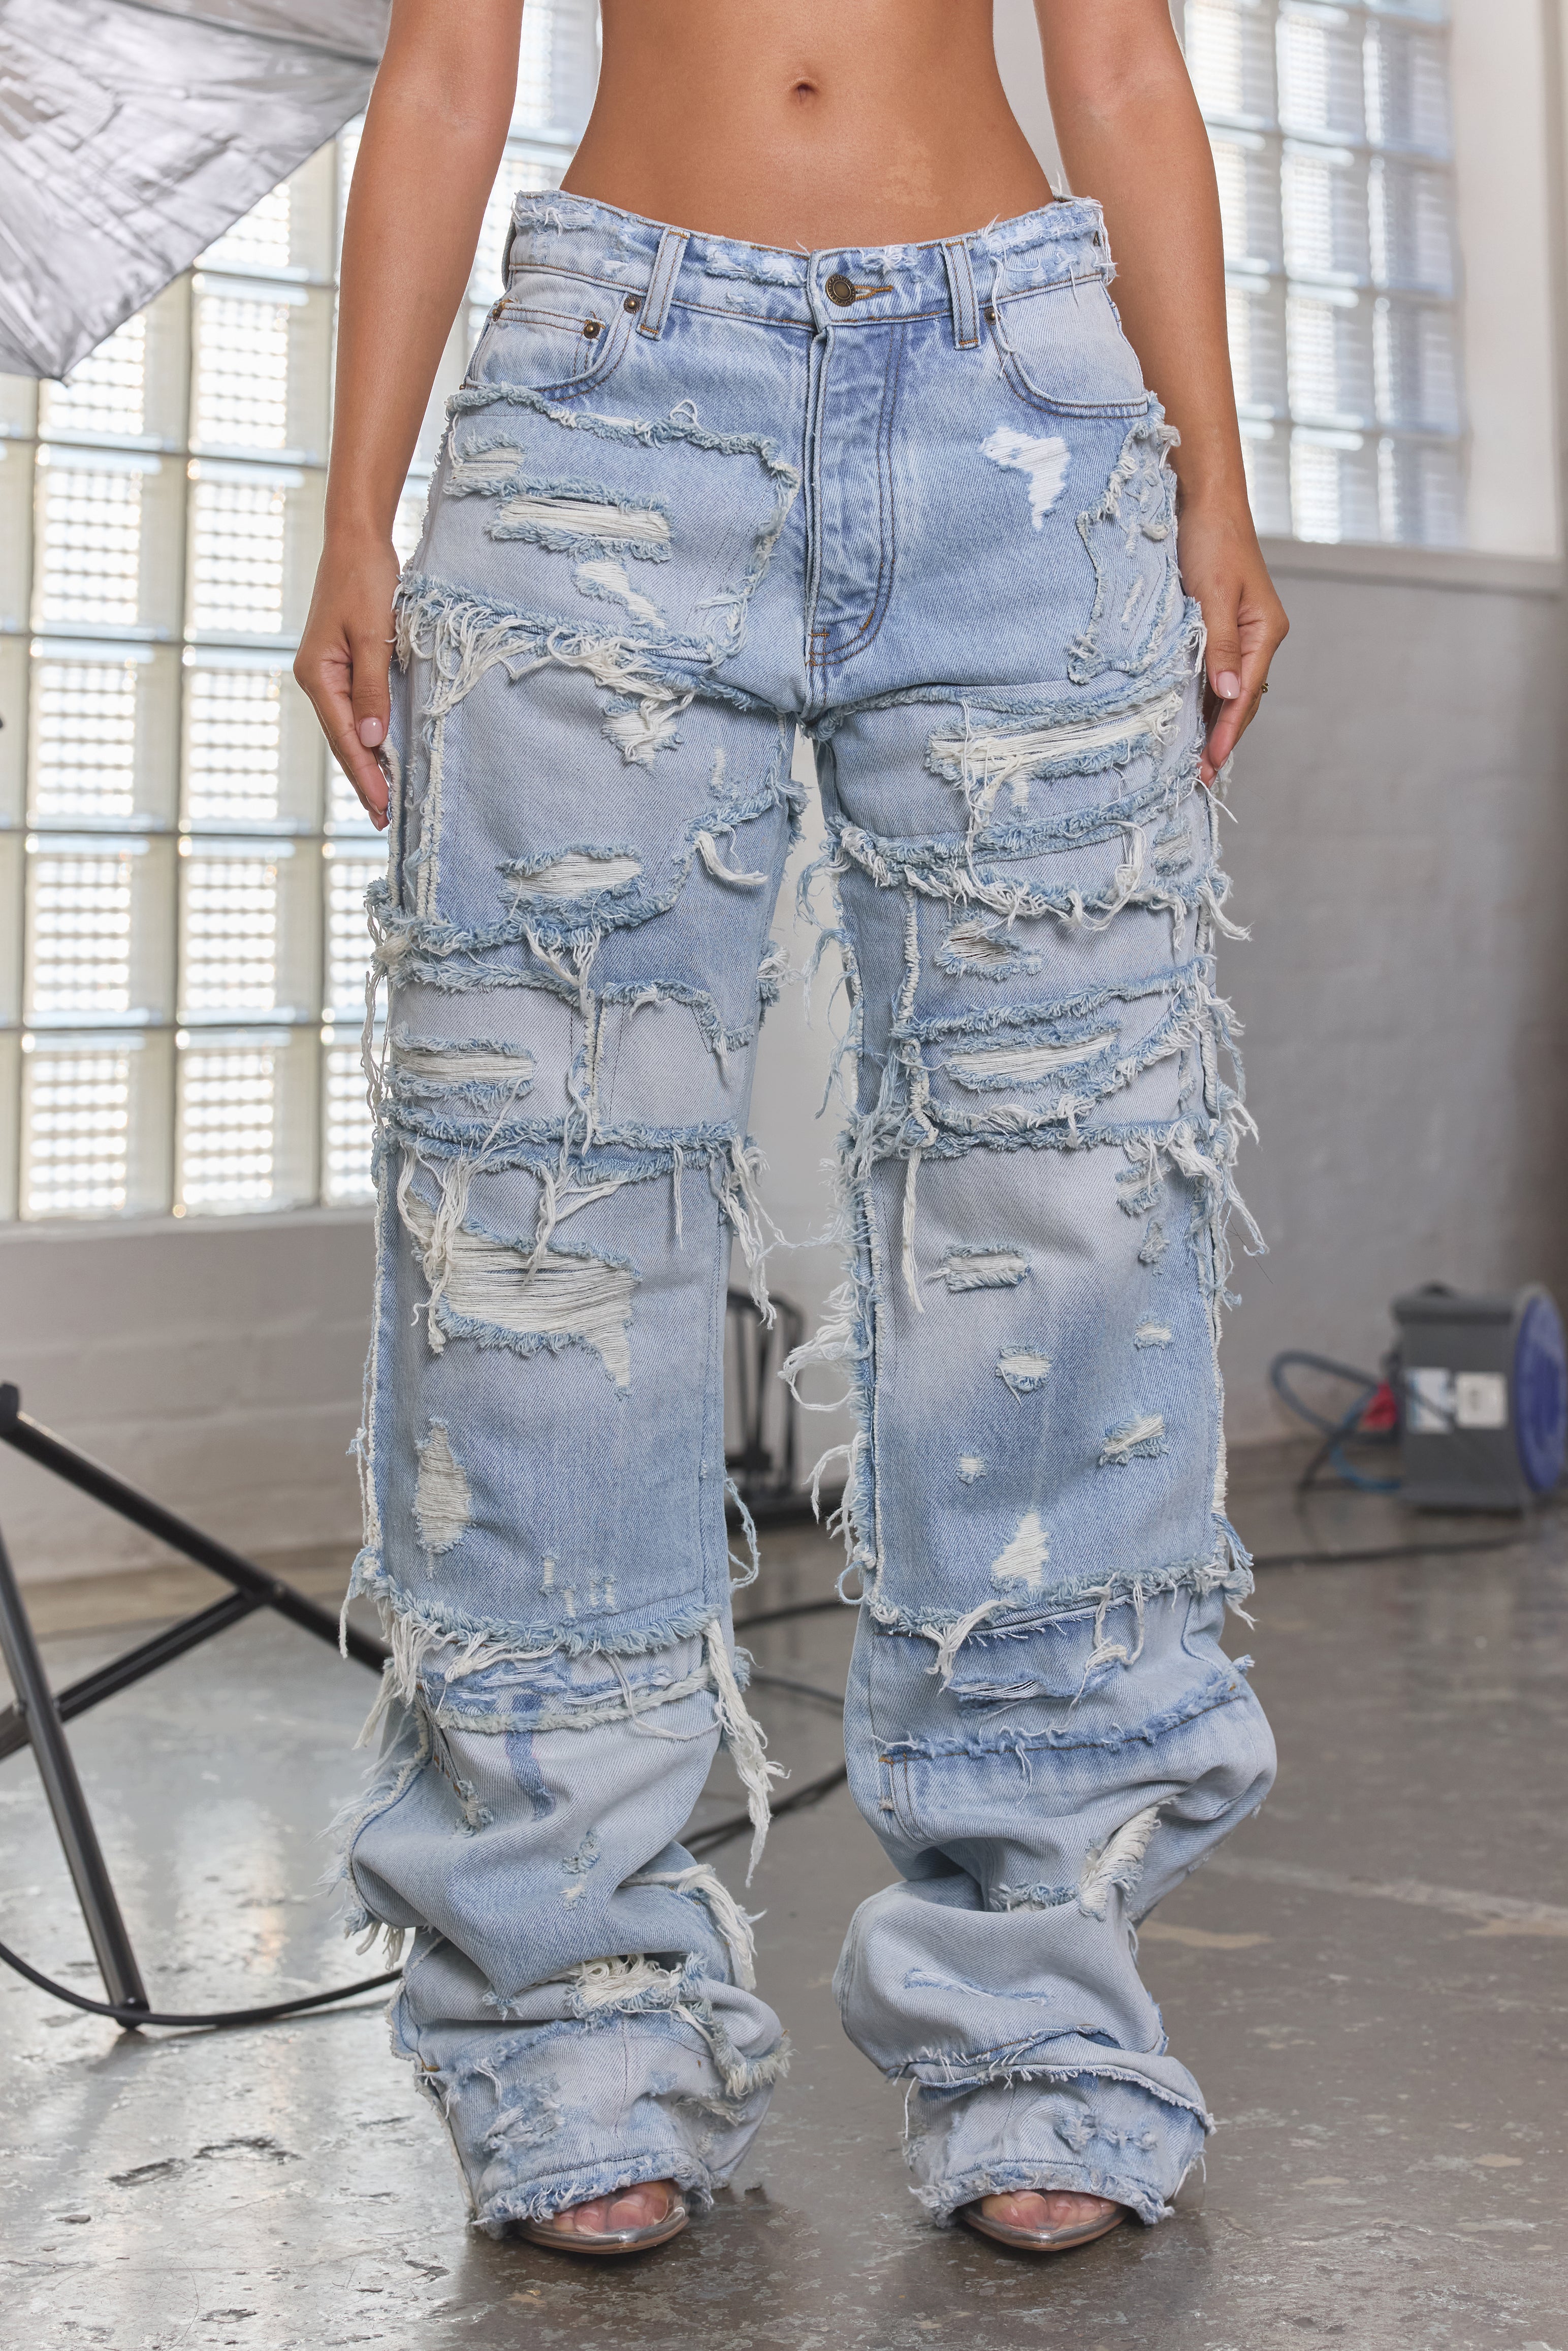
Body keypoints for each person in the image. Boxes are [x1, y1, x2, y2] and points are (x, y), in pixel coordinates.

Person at [296, 0, 1286, 2260]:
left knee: (1065, 1216)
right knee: (540, 1223)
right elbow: (445, 67)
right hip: (605, 397)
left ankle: (1041, 2012)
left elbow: (1122, 66)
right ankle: (570, 2024)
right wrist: (355, 503)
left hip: (1020, 403)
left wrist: (1213, 473)